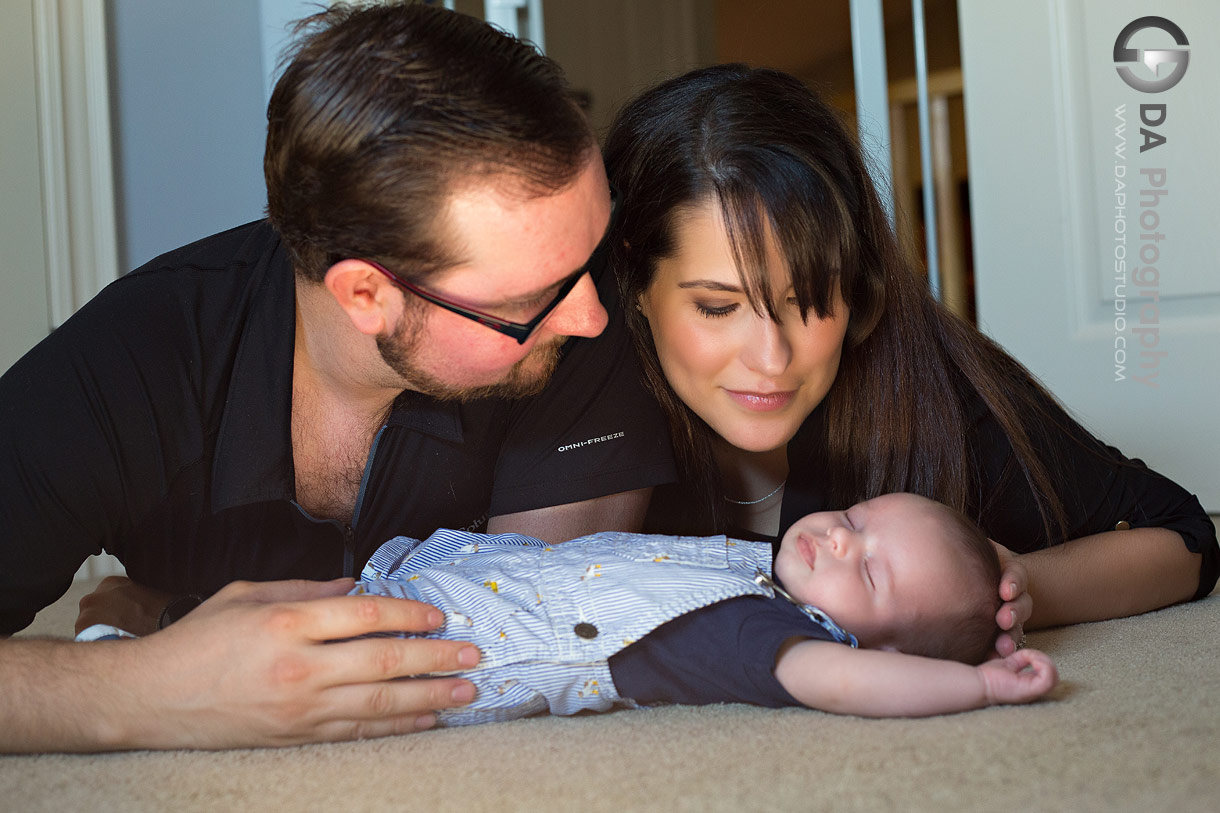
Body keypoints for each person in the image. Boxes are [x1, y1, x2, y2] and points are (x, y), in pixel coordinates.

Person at [0, 3, 674, 752]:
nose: (590, 316)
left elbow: (532, 649)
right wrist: (146, 686)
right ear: (365, 295)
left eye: (590, 254)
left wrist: (165, 616)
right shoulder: (131, 360)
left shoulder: (577, 317)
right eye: (527, 302)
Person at [603, 65, 1217, 655]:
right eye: (717, 307)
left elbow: (1184, 540)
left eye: (810, 301)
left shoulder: (927, 387)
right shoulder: (588, 390)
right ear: (635, 280)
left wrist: (1018, 588)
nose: (772, 358)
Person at [80, 493, 1060, 722]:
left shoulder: (764, 634)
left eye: (871, 573)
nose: (838, 537)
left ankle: (124, 640)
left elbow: (846, 683)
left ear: (858, 632)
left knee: (284, 644)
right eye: (852, 515)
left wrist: (970, 682)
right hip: (437, 576)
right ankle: (156, 611)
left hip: (437, 651)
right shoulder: (758, 567)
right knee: (279, 591)